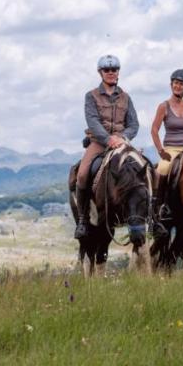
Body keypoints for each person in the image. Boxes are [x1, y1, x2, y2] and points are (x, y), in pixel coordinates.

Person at [74, 54, 139, 239]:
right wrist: (108, 139)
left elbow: (134, 124)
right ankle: (83, 219)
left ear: (118, 72)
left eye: (114, 70)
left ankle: (150, 217)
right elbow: (92, 121)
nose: (111, 73)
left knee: (145, 169)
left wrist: (122, 137)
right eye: (107, 70)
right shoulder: (91, 96)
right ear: (100, 72)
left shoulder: (126, 97)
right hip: (99, 142)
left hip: (122, 142)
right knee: (82, 174)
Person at [149, 69, 183, 235]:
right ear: (171, 84)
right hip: (171, 148)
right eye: (176, 83)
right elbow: (154, 130)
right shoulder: (163, 106)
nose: (178, 86)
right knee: (162, 169)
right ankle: (159, 208)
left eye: (182, 84)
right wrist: (160, 151)